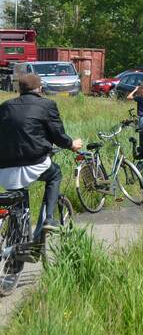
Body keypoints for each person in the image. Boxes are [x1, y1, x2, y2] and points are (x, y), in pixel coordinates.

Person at [0, 74, 83, 231]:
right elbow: (57, 135)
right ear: (39, 88)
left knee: (17, 199)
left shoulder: (5, 106)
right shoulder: (47, 105)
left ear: (19, 89)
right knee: (55, 174)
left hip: (4, 165)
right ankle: (49, 219)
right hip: (35, 161)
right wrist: (71, 144)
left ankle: (16, 243)